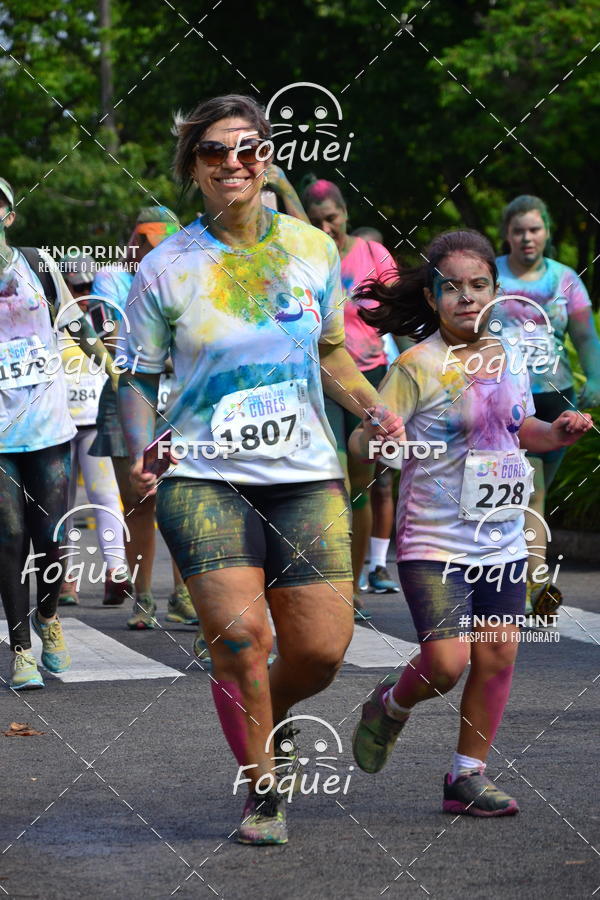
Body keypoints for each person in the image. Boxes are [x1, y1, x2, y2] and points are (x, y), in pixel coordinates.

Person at [117, 93, 403, 844]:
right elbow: (139, 378)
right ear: (195, 168)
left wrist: (374, 406)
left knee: (320, 650)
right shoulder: (167, 266)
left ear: (267, 157)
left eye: (248, 148)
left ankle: (262, 718)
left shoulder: (311, 248)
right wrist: (141, 447)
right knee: (242, 640)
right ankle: (263, 792)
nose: (234, 163)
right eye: (215, 151)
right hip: (203, 475)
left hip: (305, 473)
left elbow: (332, 350)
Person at [349, 230, 591, 816]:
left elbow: (520, 429)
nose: (466, 297)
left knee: (498, 654)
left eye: (478, 285)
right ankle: (390, 705)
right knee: (447, 662)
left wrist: (554, 433)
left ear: (495, 292)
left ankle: (466, 776)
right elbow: (364, 443)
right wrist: (378, 437)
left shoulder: (509, 357)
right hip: (434, 540)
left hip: (502, 537)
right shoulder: (415, 366)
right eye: (451, 288)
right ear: (432, 298)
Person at [0, 178, 118, 689]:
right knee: (7, 537)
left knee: (51, 536)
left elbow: (77, 325)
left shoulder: (37, 265)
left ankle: (49, 617)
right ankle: (21, 648)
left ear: (8, 215)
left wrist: (113, 372)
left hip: (48, 426)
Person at [88, 207, 197, 628]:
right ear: (134, 240)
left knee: (184, 499)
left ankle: (185, 596)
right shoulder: (112, 278)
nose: (152, 251)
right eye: (146, 242)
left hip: (177, 399)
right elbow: (118, 341)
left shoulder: (185, 275)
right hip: (126, 396)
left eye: (161, 243)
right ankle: (144, 597)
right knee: (138, 500)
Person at [494, 195, 600, 613]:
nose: (526, 238)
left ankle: (519, 578)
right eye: (518, 230)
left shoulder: (565, 279)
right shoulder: (492, 274)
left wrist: (594, 378)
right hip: (504, 396)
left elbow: (585, 336)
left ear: (547, 232)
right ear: (507, 234)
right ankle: (534, 586)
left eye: (534, 229)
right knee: (528, 491)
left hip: (556, 396)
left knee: (535, 492)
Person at [303, 181, 401, 618]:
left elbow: (398, 312)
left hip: (371, 377)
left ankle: (356, 581)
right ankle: (335, 581)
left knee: (364, 485)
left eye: (332, 218)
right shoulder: (307, 254)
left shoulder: (373, 254)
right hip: (323, 380)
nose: (327, 227)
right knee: (333, 483)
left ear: (344, 212)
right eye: (317, 220)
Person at [58, 252, 131, 606]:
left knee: (105, 497)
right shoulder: (51, 318)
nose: (83, 292)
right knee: (58, 504)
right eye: (76, 286)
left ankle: (116, 571)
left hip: (93, 421)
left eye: (88, 285)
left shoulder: (102, 317)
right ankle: (64, 578)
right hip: (56, 424)